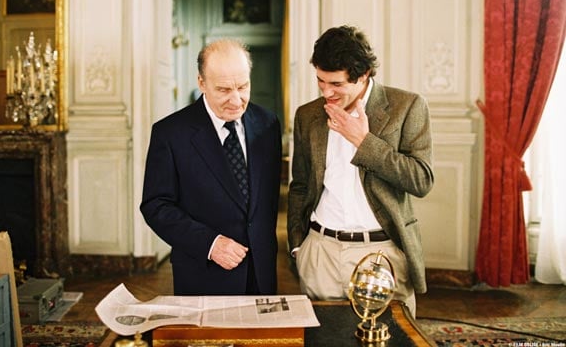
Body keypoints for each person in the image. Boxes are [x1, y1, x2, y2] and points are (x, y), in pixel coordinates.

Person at [287, 25, 434, 315]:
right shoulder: (308, 115)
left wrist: (363, 142)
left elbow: (421, 179)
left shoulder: (407, 106)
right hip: (320, 253)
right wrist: (298, 246)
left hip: (382, 254)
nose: (326, 92)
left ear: (363, 74)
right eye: (320, 81)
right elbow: (300, 185)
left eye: (337, 84)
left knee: (387, 341)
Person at [141, 39, 282, 295]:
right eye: (224, 89)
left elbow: (266, 202)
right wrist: (210, 244)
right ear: (202, 83)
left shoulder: (268, 124)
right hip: (202, 275)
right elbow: (156, 205)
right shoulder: (170, 133)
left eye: (243, 86)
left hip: (261, 274)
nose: (236, 100)